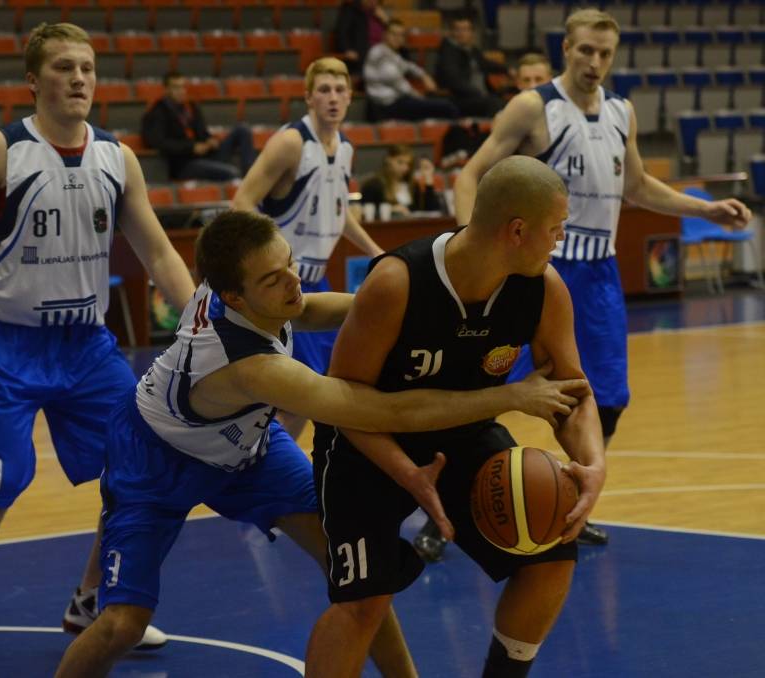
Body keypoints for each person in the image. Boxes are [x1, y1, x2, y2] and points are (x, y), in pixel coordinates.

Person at [54, 209, 590, 677]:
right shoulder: (251, 366)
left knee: (361, 579)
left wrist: (398, 304)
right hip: (154, 459)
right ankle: (87, 612)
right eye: (275, 278)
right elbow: (380, 411)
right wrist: (512, 395)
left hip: (247, 446)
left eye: (290, 263)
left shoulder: (250, 293)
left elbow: (308, 309)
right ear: (234, 297)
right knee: (123, 625)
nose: (294, 281)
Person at [0, 23, 197, 678]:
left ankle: (91, 598)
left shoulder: (117, 157)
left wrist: (202, 322)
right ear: (33, 80)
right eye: (64, 67)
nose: (79, 79)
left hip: (87, 347)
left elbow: (159, 252)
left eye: (88, 68)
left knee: (137, 471)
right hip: (8, 345)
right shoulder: (3, 150)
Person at [451, 7, 752, 548]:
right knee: (481, 387)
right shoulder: (534, 106)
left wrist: (705, 208)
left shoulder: (621, 111)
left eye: (605, 53)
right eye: (586, 50)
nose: (595, 61)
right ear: (566, 49)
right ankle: (447, 513)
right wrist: (469, 249)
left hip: (600, 275)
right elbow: (471, 174)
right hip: (535, 272)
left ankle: (573, 499)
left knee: (605, 398)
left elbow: (638, 186)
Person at [304, 155, 605, 678]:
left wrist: (594, 463)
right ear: (517, 231)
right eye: (555, 228)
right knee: (364, 601)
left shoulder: (543, 288)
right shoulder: (397, 282)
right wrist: (407, 473)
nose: (561, 239)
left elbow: (572, 392)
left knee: (552, 552)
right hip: (366, 442)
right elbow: (342, 399)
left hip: (462, 437)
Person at [232, 56, 385, 440]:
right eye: (324, 90)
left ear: (349, 97)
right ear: (308, 97)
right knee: (308, 393)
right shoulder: (291, 142)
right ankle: (263, 461)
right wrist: (275, 258)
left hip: (317, 281)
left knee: (311, 393)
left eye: (339, 90)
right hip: (284, 284)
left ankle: (269, 460)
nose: (332, 98)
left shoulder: (345, 148)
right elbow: (242, 201)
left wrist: (375, 250)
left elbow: (338, 210)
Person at [140, 71, 255, 182]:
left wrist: (210, 140)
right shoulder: (157, 112)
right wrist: (191, 147)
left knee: (242, 129)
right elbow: (158, 142)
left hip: (206, 155)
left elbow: (203, 133)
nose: (181, 91)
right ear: (166, 89)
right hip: (184, 164)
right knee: (232, 173)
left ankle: (251, 177)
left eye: (183, 87)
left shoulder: (190, 107)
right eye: (176, 87)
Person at [364, 19, 460, 122]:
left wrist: (424, 75)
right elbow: (398, 83)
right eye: (394, 34)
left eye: (401, 35)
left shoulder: (391, 54)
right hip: (386, 107)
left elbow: (408, 66)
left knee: (445, 103)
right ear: (385, 35)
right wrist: (419, 97)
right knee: (447, 107)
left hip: (396, 102)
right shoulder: (379, 53)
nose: (397, 38)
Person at [435, 10, 508, 118]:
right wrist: (477, 93)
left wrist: (507, 70)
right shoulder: (448, 52)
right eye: (457, 30)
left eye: (465, 29)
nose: (461, 33)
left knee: (508, 103)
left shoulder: (472, 50)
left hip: (480, 96)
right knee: (494, 104)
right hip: (462, 99)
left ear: (472, 32)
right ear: (451, 32)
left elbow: (485, 63)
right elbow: (453, 80)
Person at [359, 144, 443, 218]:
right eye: (400, 162)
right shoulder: (373, 185)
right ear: (388, 160)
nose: (405, 168)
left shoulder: (412, 185)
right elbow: (364, 211)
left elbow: (432, 212)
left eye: (408, 164)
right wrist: (391, 209)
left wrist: (428, 179)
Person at [333, 0, 390, 76]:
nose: (372, 1)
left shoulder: (379, 13)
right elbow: (341, 33)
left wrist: (386, 21)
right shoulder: (351, 10)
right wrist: (347, 49)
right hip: (361, 57)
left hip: (382, 56)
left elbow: (393, 35)